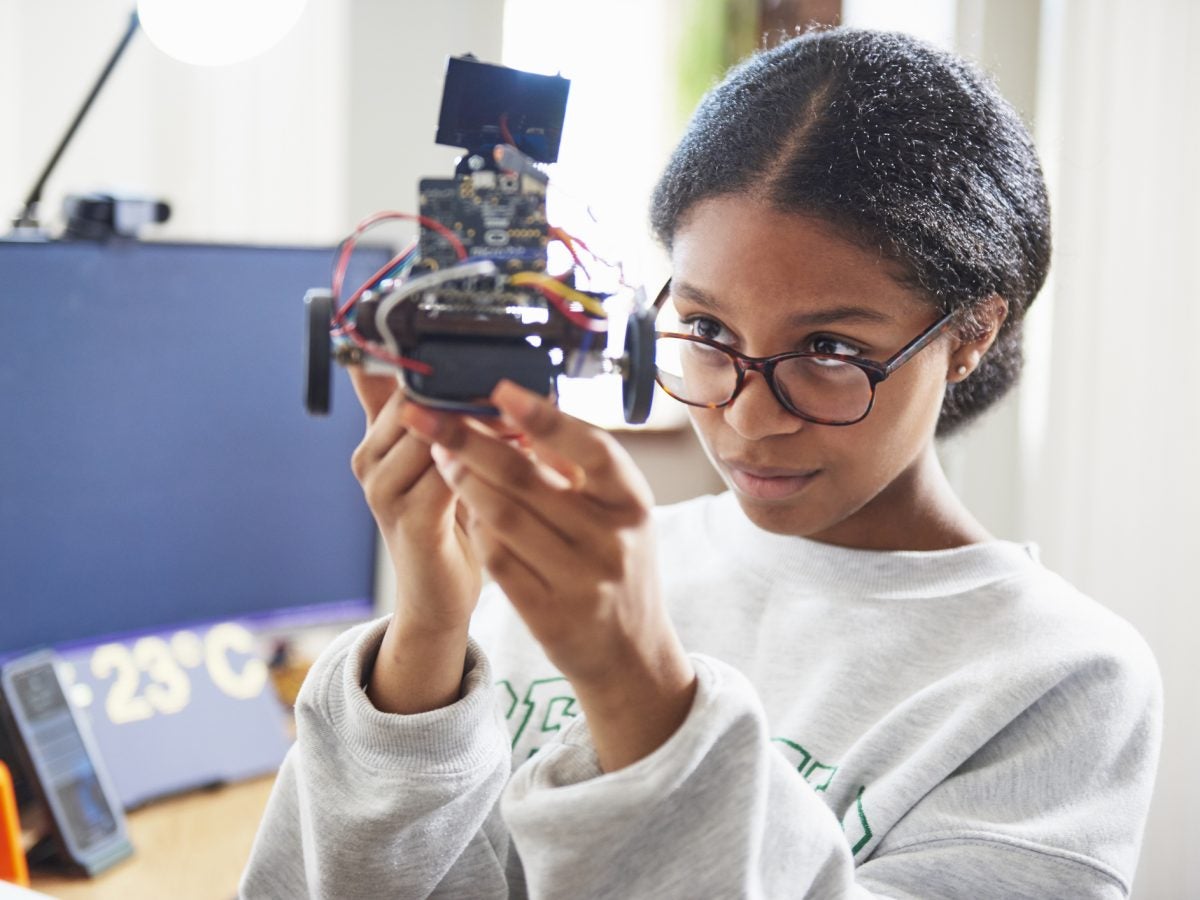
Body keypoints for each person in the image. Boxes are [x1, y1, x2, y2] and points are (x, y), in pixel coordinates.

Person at [241, 27, 1161, 899]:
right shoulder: (574, 577)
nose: (750, 418)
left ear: (969, 334)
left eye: (831, 350)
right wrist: (431, 635)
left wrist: (636, 685)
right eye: (710, 333)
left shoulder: (1063, 679)